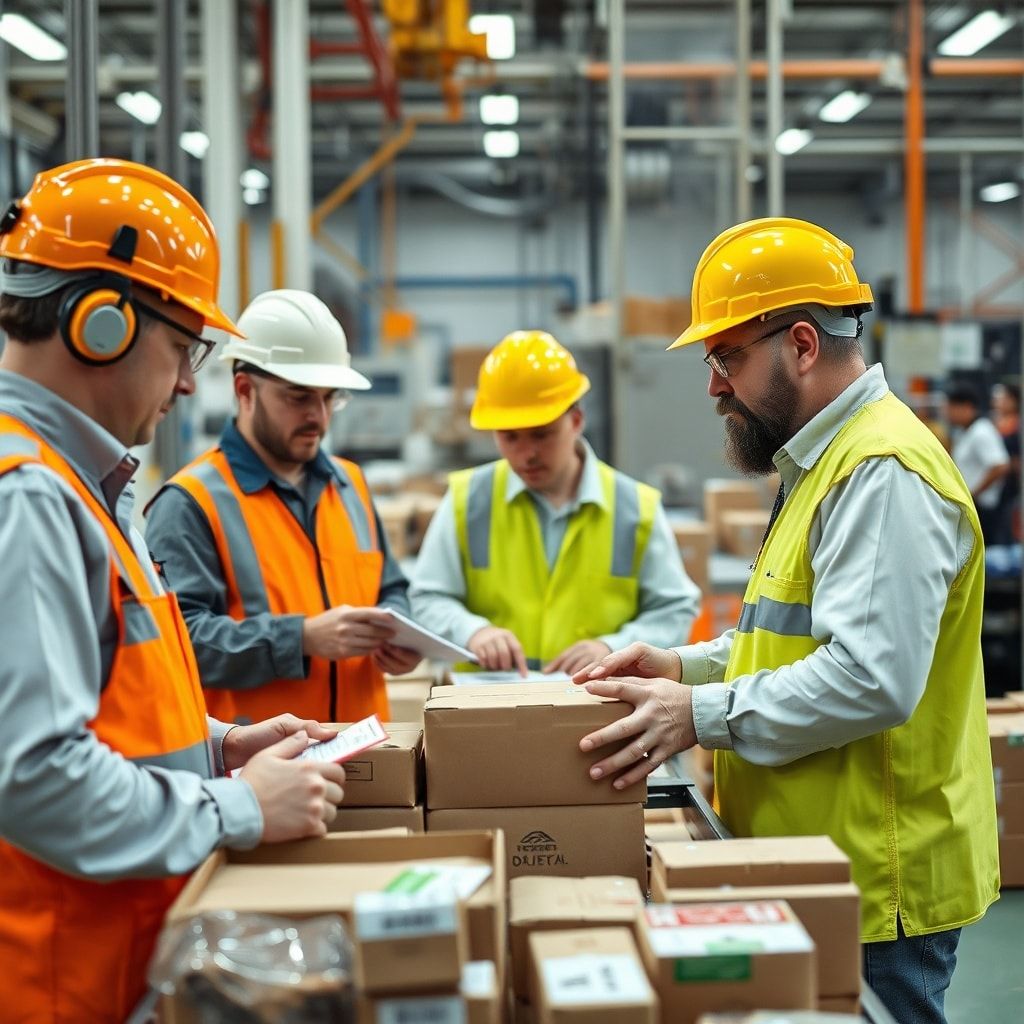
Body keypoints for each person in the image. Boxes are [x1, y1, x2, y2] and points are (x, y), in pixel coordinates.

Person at [573, 218, 999, 1024]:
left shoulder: (881, 472)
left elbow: (869, 678)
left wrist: (697, 716)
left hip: (876, 889)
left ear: (801, 344)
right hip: (819, 864)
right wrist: (682, 667)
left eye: (726, 357)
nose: (713, 386)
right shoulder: (819, 462)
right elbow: (787, 638)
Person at [0, 159, 347, 1023]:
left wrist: (218, 744)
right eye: (184, 343)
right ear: (103, 324)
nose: (189, 381)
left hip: (119, 961)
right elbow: (33, 776)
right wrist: (237, 805)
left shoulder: (85, 486)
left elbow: (111, 710)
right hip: (61, 982)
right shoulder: (28, 498)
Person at [146, 289, 419, 726]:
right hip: (260, 773)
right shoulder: (191, 502)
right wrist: (301, 639)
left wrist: (400, 631)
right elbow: (180, 644)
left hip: (369, 758)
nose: (320, 417)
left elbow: (391, 588)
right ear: (244, 390)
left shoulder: (350, 484)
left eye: (330, 398)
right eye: (299, 397)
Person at [410, 330, 699, 675]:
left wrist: (612, 647)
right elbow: (427, 599)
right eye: (509, 437)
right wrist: (474, 632)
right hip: (488, 708)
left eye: (541, 434)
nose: (527, 453)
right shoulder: (466, 500)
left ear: (576, 421)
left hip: (596, 704)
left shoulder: (634, 506)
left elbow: (675, 610)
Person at [945, 382, 1009, 544]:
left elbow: (1000, 466)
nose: (948, 413)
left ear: (967, 407)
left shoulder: (982, 431)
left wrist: (975, 494)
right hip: (972, 505)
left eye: (952, 408)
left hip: (983, 508)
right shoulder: (963, 431)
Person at [990, 381, 1020, 544]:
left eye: (1004, 398)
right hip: (999, 486)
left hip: (1011, 485)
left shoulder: (1017, 427)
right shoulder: (997, 423)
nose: (998, 401)